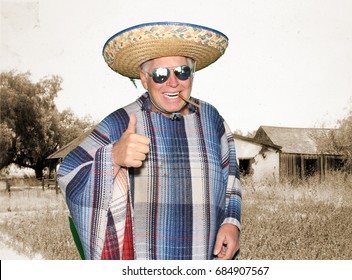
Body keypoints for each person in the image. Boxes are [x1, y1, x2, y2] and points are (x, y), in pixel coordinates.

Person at [57, 22, 241, 260]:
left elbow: (232, 178)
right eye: (161, 74)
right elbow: (67, 174)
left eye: (182, 72)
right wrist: (113, 157)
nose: (173, 82)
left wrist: (231, 223)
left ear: (192, 74)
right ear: (144, 79)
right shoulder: (120, 122)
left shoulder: (212, 119)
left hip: (205, 255)